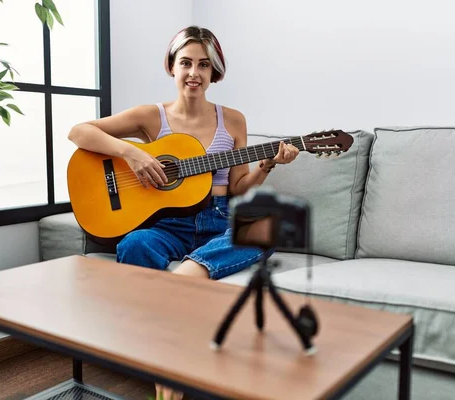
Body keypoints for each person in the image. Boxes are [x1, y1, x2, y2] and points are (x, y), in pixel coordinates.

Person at [68, 25, 299, 400]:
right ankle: (173, 363)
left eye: (204, 65)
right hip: (169, 224)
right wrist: (133, 152)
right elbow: (79, 132)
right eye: (186, 63)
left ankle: (185, 284)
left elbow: (239, 187)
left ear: (214, 72)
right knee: (134, 244)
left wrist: (268, 164)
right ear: (171, 67)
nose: (194, 73)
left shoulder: (234, 120)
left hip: (219, 219)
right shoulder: (151, 117)